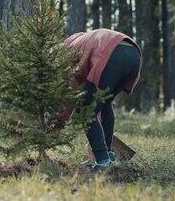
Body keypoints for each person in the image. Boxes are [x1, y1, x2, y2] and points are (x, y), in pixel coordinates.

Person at [59, 28, 142, 172]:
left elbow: (70, 93)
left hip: (113, 54)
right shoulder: (80, 41)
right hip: (134, 55)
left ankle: (103, 161)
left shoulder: (64, 53)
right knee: (104, 103)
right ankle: (108, 155)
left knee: (85, 111)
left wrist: (59, 123)